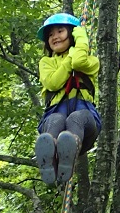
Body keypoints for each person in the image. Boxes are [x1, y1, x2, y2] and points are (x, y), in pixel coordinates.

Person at [34, 13, 102, 187]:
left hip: (85, 123)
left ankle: (70, 146)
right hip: (55, 115)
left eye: (60, 31)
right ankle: (52, 156)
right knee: (56, 119)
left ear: (72, 34)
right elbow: (53, 82)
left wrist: (80, 36)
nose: (55, 37)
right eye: (50, 35)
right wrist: (68, 61)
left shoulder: (92, 61)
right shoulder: (46, 62)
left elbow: (79, 62)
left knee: (76, 118)